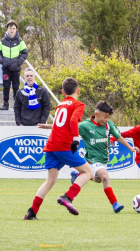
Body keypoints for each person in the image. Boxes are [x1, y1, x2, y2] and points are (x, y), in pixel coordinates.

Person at [24, 77, 94, 220]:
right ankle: (68, 197)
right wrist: (76, 138)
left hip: (51, 145)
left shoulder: (60, 104)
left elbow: (60, 124)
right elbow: (73, 121)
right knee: (88, 172)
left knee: (50, 181)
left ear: (63, 92)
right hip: (63, 144)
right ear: (78, 90)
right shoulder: (78, 104)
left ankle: (32, 212)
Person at [0, 19, 28, 110]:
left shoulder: (20, 41)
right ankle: (5, 104)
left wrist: (18, 62)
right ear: (7, 29)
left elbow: (25, 53)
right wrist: (2, 61)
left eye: (13, 28)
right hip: (6, 68)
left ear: (16, 29)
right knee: (6, 86)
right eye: (10, 28)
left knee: (16, 86)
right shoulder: (2, 41)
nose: (12, 30)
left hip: (16, 68)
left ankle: (16, 104)